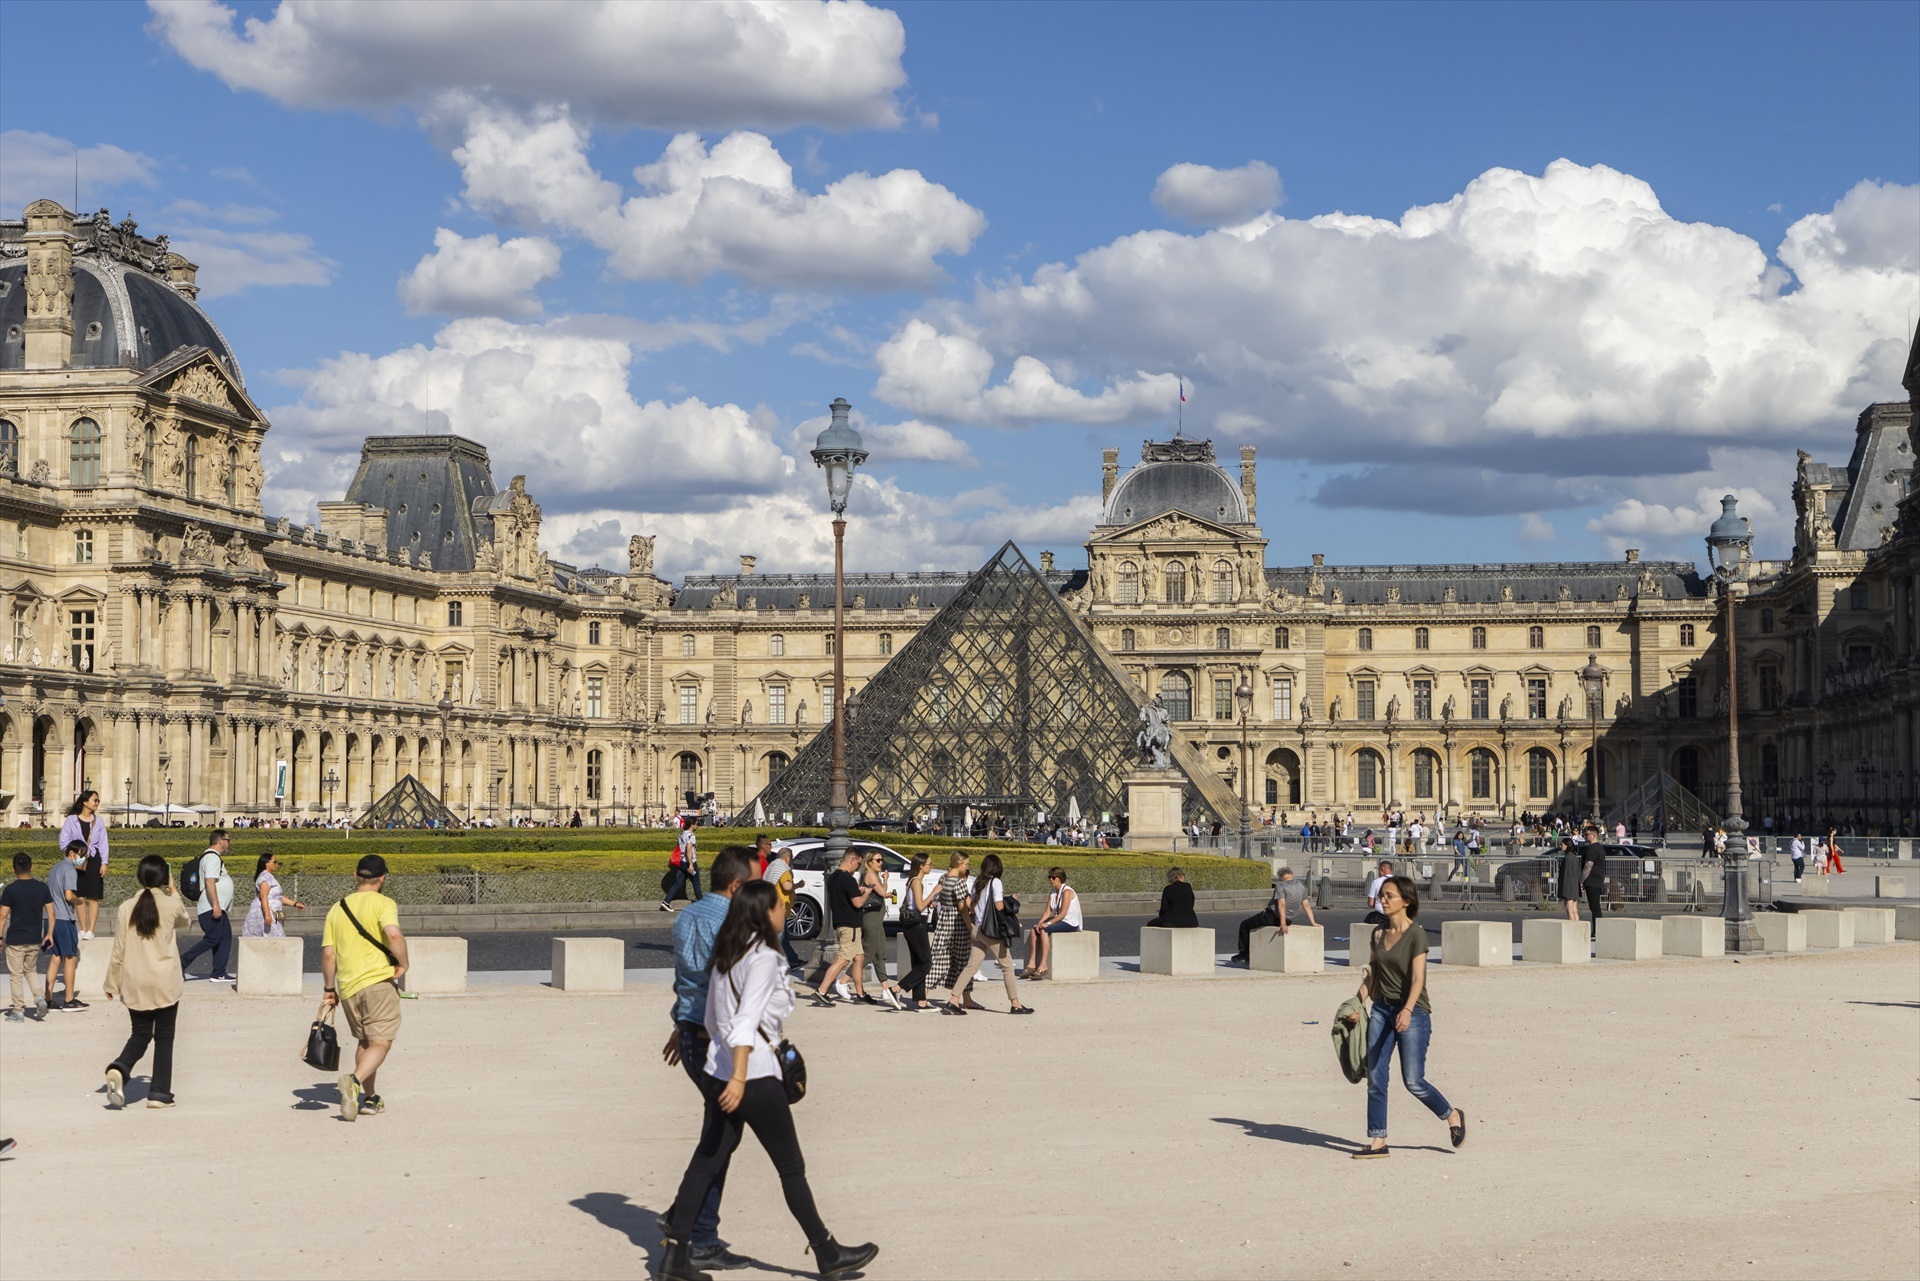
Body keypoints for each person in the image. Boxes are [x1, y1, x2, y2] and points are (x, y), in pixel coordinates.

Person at [660, 881, 877, 1281]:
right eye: (781, 904)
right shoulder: (761, 957)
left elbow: (711, 1021)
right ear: (765, 913)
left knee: (706, 1162)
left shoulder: (727, 953)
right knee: (791, 1168)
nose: (786, 908)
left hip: (719, 1071)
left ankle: (674, 1257)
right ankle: (827, 1252)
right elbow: (744, 1024)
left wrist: (725, 1067)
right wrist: (741, 1077)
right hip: (753, 1076)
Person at [661, 845, 754, 1273]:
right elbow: (729, 991)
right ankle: (697, 1234)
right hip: (713, 1040)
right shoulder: (734, 923)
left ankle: (687, 1218)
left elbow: (688, 978)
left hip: (692, 1034)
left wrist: (681, 1026)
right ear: (735, 886)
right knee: (722, 1135)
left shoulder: (686, 916)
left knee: (722, 1131)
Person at [1343, 875, 1465, 1158]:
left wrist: (1408, 1010)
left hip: (1414, 1011)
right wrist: (1357, 1002)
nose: (1383, 900)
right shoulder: (1377, 933)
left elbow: (1418, 979)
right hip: (1382, 1011)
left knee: (1413, 1081)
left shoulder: (1416, 934)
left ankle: (1452, 1115)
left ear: (1406, 901)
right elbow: (1372, 973)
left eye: (1389, 896)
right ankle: (1378, 1141)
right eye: (1382, 895)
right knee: (1375, 1077)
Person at [321, 854, 410, 1122]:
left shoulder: (338, 908)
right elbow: (393, 934)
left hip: (348, 986)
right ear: (383, 878)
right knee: (381, 1041)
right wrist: (404, 964)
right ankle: (354, 1080)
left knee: (365, 1041)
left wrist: (328, 988)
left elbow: (328, 954)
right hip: (377, 982)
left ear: (355, 875)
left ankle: (369, 1099)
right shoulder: (383, 903)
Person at [101, 855, 193, 1109]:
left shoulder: (125, 907)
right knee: (164, 1037)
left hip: (134, 979)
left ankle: (121, 1067)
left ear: (139, 877)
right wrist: (174, 893)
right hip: (164, 980)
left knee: (140, 1033)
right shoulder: (170, 904)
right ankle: (159, 1093)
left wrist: (111, 982)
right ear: (165, 878)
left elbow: (118, 949)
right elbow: (186, 921)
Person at [946, 853, 1032, 1015]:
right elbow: (998, 906)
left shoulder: (977, 882)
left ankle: (954, 999)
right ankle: (1015, 1004)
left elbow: (972, 906)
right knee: (1007, 965)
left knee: (971, 966)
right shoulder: (996, 882)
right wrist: (1010, 904)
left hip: (977, 929)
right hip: (990, 931)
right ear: (998, 868)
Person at [810, 850, 872, 1007]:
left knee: (859, 958)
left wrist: (858, 891)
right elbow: (858, 903)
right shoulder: (848, 879)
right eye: (858, 863)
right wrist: (867, 893)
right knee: (843, 960)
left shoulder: (833, 878)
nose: (858, 868)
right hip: (850, 925)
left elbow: (844, 895)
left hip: (841, 922)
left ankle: (860, 993)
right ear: (852, 860)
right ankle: (821, 991)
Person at [1, 852, 55, 1022]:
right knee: (31, 970)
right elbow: (51, 913)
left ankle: (18, 1012)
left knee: (16, 975)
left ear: (13, 869)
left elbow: (2, 916)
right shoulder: (42, 888)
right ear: (31, 868)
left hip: (16, 940)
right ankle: (39, 998)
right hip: (34, 938)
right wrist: (49, 934)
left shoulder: (10, 890)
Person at [177, 830, 236, 984]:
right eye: (228, 840)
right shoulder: (212, 858)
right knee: (213, 938)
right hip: (211, 907)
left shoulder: (211, 857)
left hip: (215, 907)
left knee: (224, 938)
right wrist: (216, 904)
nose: (229, 843)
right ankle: (182, 962)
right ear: (220, 841)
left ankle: (219, 972)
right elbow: (210, 882)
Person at [1230, 865, 1313, 964]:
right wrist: (1313, 922)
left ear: (1280, 877)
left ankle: (1245, 955)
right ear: (1292, 875)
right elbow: (1306, 905)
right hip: (1289, 920)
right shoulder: (1301, 885)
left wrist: (1282, 924)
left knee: (1245, 925)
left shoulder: (1280, 885)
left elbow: (1281, 904)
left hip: (1272, 917)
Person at [59, 790, 109, 941]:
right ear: (85, 802)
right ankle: (83, 929)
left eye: (98, 800)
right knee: (79, 894)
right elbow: (63, 842)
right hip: (78, 861)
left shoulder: (98, 821)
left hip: (94, 859)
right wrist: (76, 852)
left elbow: (104, 843)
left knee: (93, 896)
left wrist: (104, 862)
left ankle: (91, 930)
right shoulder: (71, 820)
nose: (97, 803)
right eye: (95, 800)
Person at [43, 841, 87, 1012]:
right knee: (70, 958)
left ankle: (48, 999)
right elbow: (69, 896)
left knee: (54, 959)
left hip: (49, 918)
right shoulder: (69, 870)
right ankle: (69, 999)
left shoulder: (55, 868)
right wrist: (79, 900)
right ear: (72, 853)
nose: (82, 858)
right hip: (63, 919)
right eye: (81, 855)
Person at [857, 849, 902, 1009]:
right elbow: (882, 893)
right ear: (869, 862)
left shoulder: (872, 875)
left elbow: (881, 893)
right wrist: (886, 880)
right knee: (869, 953)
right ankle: (842, 981)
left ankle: (885, 988)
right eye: (877, 860)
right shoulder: (870, 874)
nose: (880, 863)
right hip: (872, 918)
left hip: (877, 917)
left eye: (881, 860)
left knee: (880, 954)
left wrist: (884, 882)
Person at [1020, 866, 1082, 980]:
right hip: (1059, 920)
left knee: (1044, 931)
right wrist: (1040, 923)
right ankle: (1031, 964)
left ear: (1060, 878)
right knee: (1035, 930)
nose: (1051, 880)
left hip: (1070, 922)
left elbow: (1063, 913)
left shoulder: (1067, 891)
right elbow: (1047, 911)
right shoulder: (1053, 892)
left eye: (1053, 877)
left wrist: (1047, 924)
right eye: (1050, 877)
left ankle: (1043, 965)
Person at [896, 853, 938, 1010]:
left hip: (913, 924)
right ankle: (897, 989)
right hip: (917, 924)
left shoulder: (913, 881)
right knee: (926, 963)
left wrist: (930, 904)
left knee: (918, 962)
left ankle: (920, 1000)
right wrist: (934, 892)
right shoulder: (917, 882)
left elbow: (917, 904)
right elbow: (920, 906)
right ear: (921, 866)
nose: (931, 866)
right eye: (929, 864)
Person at [932, 852, 973, 995]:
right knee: (963, 960)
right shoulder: (959, 882)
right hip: (957, 923)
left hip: (944, 918)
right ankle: (966, 997)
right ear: (959, 864)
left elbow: (941, 900)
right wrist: (970, 927)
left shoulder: (943, 878)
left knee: (938, 957)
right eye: (966, 864)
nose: (967, 867)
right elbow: (962, 909)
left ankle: (924, 993)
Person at [759, 842, 804, 972]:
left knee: (782, 938)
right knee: (779, 937)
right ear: (787, 858)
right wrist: (799, 885)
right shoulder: (783, 869)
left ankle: (792, 960)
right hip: (778, 906)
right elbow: (787, 886)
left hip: (770, 904)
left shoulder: (772, 865)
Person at [241, 852, 306, 938]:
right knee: (278, 940)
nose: (276, 864)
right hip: (266, 913)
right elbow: (263, 896)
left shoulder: (268, 876)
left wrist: (295, 904)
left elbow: (278, 897)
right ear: (267, 863)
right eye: (274, 862)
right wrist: (267, 914)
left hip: (270, 912)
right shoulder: (265, 877)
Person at [661, 819, 702, 911]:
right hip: (689, 863)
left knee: (678, 883)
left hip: (681, 862)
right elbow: (689, 850)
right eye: (696, 824)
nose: (697, 825)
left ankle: (666, 902)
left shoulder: (681, 834)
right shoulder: (691, 835)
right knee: (696, 884)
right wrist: (691, 864)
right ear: (692, 825)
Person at [1579, 837, 1606, 940]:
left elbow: (1588, 866)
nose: (1586, 836)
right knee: (1595, 907)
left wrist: (1582, 880)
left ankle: (1597, 931)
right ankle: (1597, 930)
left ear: (1594, 836)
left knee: (1595, 907)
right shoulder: (1599, 848)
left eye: (1587, 834)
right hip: (1597, 881)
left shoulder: (1592, 849)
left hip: (1592, 881)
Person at [1556, 837, 1583, 922]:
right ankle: (1578, 928)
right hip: (1574, 886)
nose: (1561, 846)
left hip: (1569, 888)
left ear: (1567, 845)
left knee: (1570, 910)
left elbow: (1567, 875)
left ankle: (1572, 929)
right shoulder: (1573, 856)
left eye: (1562, 844)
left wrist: (1564, 891)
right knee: (1574, 910)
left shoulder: (1568, 857)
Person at [1362, 860, 1395, 926]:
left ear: (1382, 870)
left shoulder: (1376, 882)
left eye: (1379, 871)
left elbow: (1370, 903)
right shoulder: (1400, 881)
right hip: (1396, 915)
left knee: (1369, 917)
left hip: (1382, 916)